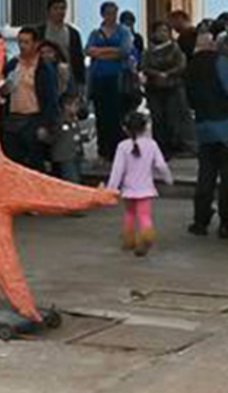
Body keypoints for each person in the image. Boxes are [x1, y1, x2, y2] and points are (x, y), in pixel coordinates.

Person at [106, 112, 172, 257]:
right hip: (146, 189)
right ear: (146, 127)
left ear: (125, 129)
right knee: (144, 215)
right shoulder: (152, 145)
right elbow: (161, 165)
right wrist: (168, 178)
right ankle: (146, 237)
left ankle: (129, 240)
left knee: (129, 213)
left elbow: (117, 170)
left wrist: (110, 189)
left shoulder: (122, 146)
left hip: (128, 190)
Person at [184, 29, 228, 238]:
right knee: (226, 178)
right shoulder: (220, 62)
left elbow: (188, 98)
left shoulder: (189, 66)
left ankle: (200, 221)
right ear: (212, 45)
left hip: (203, 126)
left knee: (206, 176)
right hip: (225, 126)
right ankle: (226, 224)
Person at [0, 26, 58, 171]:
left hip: (33, 118)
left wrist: (47, 125)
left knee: (34, 162)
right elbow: (2, 87)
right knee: (12, 161)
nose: (22, 46)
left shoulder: (43, 68)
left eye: (26, 42)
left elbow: (50, 98)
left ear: (36, 44)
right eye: (20, 42)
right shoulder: (13, 65)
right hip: (13, 118)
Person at [87, 1, 134, 160]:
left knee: (115, 113)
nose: (111, 16)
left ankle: (116, 148)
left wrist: (101, 52)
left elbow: (124, 51)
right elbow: (89, 51)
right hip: (98, 76)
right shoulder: (96, 33)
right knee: (101, 113)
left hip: (117, 76)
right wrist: (110, 52)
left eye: (114, 12)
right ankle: (103, 148)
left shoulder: (124, 31)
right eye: (108, 13)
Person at [142, 20, 195, 159]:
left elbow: (181, 65)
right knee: (158, 119)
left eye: (165, 31)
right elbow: (144, 66)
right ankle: (160, 148)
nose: (163, 34)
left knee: (173, 118)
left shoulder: (175, 49)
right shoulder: (149, 51)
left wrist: (168, 74)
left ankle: (176, 146)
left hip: (173, 87)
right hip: (154, 88)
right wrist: (156, 74)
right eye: (160, 31)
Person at [40, 0, 86, 94]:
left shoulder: (73, 33)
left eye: (62, 8)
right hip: (46, 77)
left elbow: (78, 57)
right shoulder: (40, 31)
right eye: (55, 8)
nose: (60, 12)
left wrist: (81, 82)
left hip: (68, 77)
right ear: (48, 11)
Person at [48, 91, 92, 185]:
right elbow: (54, 137)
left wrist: (83, 137)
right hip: (64, 157)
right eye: (75, 105)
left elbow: (75, 135)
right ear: (66, 106)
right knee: (71, 180)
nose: (78, 108)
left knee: (76, 177)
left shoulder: (74, 120)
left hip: (75, 154)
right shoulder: (60, 121)